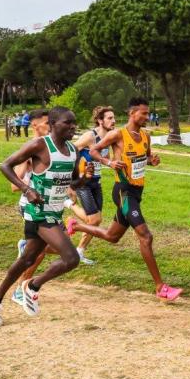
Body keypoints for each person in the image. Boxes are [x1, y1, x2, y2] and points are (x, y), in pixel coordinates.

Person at [0, 106, 92, 327]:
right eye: (67, 123)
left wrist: (83, 180)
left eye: (74, 123)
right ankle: (32, 286)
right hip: (38, 212)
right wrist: (26, 189)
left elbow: (69, 183)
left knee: (27, 259)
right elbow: (5, 166)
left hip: (54, 212)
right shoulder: (40, 145)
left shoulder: (73, 150)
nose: (73, 126)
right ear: (53, 124)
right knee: (72, 258)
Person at [66, 97, 183, 301]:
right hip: (123, 192)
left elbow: (145, 157)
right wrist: (108, 162)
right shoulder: (117, 134)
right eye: (143, 113)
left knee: (113, 236)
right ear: (132, 113)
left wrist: (152, 161)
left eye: (148, 113)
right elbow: (93, 150)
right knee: (146, 236)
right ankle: (160, 287)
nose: (147, 116)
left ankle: (76, 226)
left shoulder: (145, 136)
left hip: (137, 191)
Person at [73, 106, 115, 265]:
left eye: (114, 118)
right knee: (95, 219)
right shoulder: (90, 136)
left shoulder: (109, 138)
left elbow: (106, 157)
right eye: (109, 118)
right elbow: (72, 150)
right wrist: (78, 171)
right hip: (83, 182)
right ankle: (70, 207)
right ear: (100, 120)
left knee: (95, 222)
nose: (113, 121)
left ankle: (79, 251)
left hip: (96, 182)